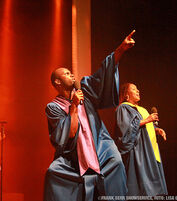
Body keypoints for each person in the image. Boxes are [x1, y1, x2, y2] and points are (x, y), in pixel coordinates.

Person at [43, 30, 135, 201]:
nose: (71, 74)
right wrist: (74, 107)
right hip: (72, 157)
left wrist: (120, 50)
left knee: (116, 163)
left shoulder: (85, 89)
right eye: (66, 73)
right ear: (57, 82)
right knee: (52, 174)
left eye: (71, 72)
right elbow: (68, 135)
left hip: (101, 147)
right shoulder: (53, 107)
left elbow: (103, 74)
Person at [114, 83, 168, 196]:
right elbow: (126, 129)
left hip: (151, 150)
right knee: (143, 189)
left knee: (155, 190)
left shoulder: (142, 109)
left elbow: (146, 127)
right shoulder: (123, 108)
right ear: (126, 95)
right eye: (133, 89)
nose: (138, 91)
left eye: (137, 88)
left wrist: (157, 130)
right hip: (139, 151)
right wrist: (147, 120)